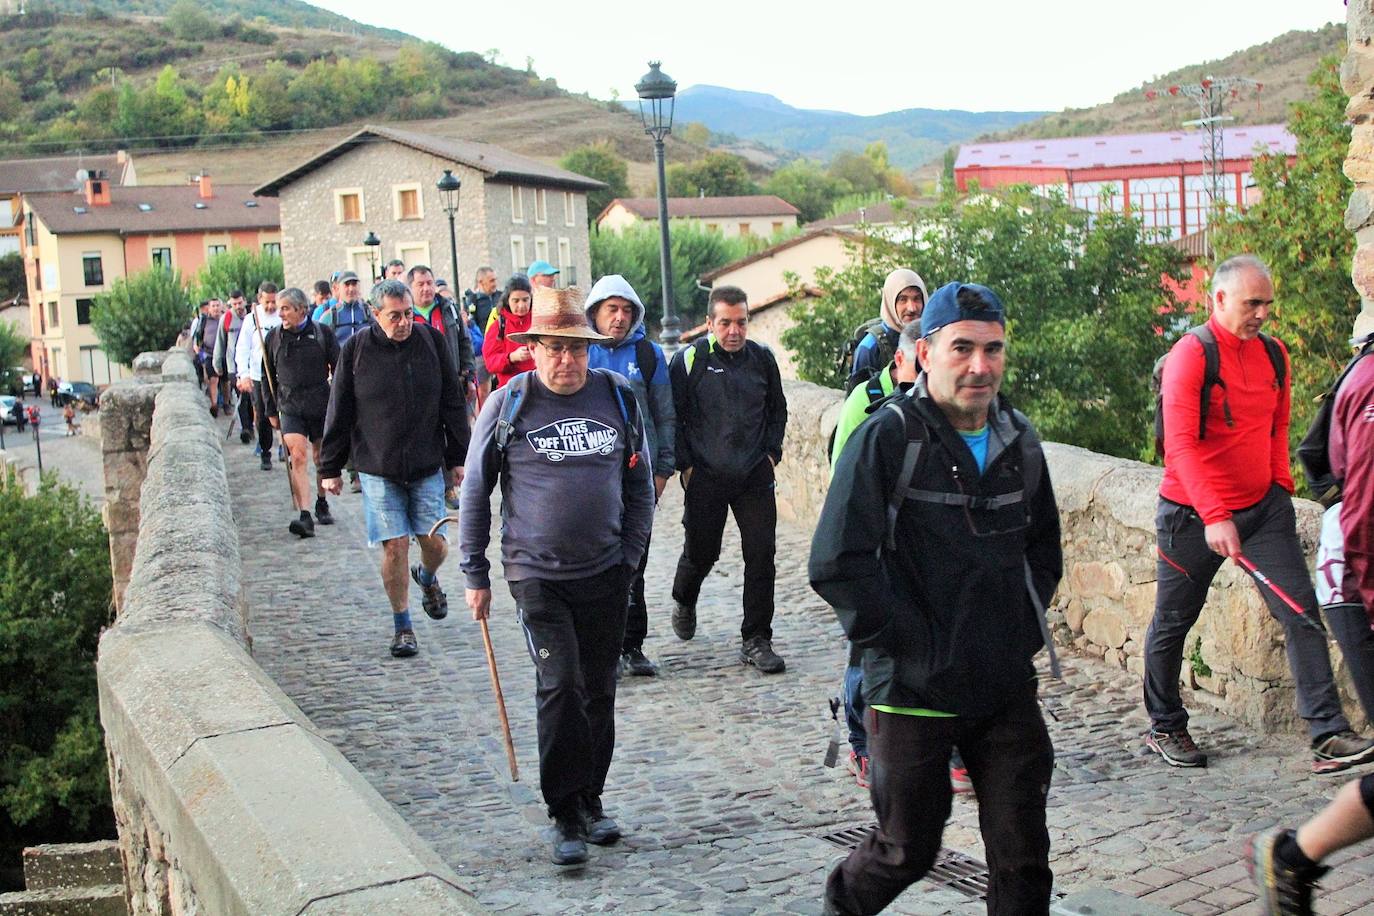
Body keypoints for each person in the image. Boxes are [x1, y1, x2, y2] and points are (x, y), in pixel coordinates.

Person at [812, 281, 1062, 916]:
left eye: (993, 349)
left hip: (1002, 686)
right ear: (924, 352)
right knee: (905, 849)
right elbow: (837, 562)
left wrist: (1017, 638)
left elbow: (1043, 554)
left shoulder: (1020, 442)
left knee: (1024, 861)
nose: (979, 366)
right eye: (962, 348)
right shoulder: (887, 437)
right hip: (913, 691)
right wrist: (910, 645)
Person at [1143, 255, 1374, 773]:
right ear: (1218, 300)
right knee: (1173, 622)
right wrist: (1215, 513)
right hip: (1190, 516)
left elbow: (1278, 425)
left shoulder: (1274, 354)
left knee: (1301, 613)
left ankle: (1327, 733)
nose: (1262, 313)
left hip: (1262, 510)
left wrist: (1280, 489)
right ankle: (1165, 724)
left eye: (1267, 303)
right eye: (1252, 303)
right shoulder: (1191, 356)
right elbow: (1179, 446)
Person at [459, 285, 654, 867]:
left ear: (589, 349)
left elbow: (638, 483)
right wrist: (475, 571)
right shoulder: (508, 403)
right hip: (535, 574)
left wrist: (631, 555)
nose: (565, 361)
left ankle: (592, 800)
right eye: (553, 348)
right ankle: (563, 812)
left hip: (606, 572)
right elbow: (475, 489)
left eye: (575, 349)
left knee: (599, 689)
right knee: (562, 686)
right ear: (533, 348)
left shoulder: (618, 396)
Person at [1247, 312, 1374, 916]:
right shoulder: (1372, 385)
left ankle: (1293, 859)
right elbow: (1365, 521)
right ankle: (1292, 857)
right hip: (1361, 583)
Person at [320, 279, 469, 658]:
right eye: (394, 316)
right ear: (374, 314)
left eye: (407, 314)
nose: (403, 322)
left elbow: (452, 402)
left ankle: (428, 576)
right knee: (395, 546)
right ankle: (403, 626)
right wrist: (330, 468)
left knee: (434, 544)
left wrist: (458, 459)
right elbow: (339, 411)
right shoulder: (355, 351)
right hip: (377, 466)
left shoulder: (432, 343)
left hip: (425, 462)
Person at [669, 284, 788, 673]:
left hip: (754, 474)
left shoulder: (762, 360)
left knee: (761, 554)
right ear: (709, 323)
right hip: (706, 474)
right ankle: (684, 597)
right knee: (703, 552)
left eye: (741, 322)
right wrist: (686, 467)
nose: (734, 331)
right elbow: (674, 417)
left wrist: (771, 453)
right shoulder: (690, 360)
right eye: (725, 323)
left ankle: (756, 638)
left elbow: (778, 410)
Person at [827, 321, 922, 790]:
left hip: (918, 559)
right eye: (918, 363)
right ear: (902, 359)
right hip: (874, 554)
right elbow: (841, 483)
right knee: (863, 656)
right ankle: (861, 745)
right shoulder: (866, 405)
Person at [583, 275, 676, 677]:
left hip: (638, 477)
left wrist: (663, 470)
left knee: (635, 561)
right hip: (592, 479)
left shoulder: (649, 354)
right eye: (611, 309)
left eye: (625, 310)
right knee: (596, 565)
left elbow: (665, 415)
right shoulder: (582, 351)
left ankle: (632, 645)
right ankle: (600, 648)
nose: (618, 318)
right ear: (595, 312)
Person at [262, 287, 341, 539]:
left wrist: (340, 405)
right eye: (279, 308)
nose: (280, 313)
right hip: (290, 404)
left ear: (302, 310)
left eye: (285, 308)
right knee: (297, 456)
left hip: (319, 403)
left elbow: (338, 369)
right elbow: (267, 375)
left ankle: (321, 501)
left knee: (319, 457)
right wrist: (270, 409)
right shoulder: (273, 337)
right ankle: (305, 515)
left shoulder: (322, 333)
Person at [847, 268, 927, 391]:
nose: (912, 308)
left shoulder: (931, 338)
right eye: (903, 299)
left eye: (916, 298)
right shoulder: (870, 347)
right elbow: (857, 399)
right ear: (890, 302)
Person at [234, 282, 282, 471]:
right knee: (263, 415)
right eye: (267, 302)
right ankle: (265, 451)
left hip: (280, 374)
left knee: (283, 412)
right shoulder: (251, 319)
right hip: (257, 374)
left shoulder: (282, 316)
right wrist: (243, 374)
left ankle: (284, 447)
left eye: (274, 302)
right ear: (259, 299)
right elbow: (242, 348)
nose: (271, 306)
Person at [213, 291, 254, 445]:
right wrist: (217, 364)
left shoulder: (251, 317)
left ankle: (251, 424)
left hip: (253, 365)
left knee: (252, 399)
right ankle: (246, 428)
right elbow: (220, 342)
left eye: (240, 303)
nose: (238, 306)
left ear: (244, 301)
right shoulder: (227, 318)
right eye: (234, 304)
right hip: (234, 367)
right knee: (242, 396)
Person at [483, 275, 535, 388]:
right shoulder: (499, 325)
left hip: (539, 386)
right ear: (507, 300)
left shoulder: (539, 321)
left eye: (525, 300)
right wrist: (511, 357)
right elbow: (490, 362)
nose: (521, 305)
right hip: (511, 389)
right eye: (516, 301)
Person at [317, 271, 369, 348]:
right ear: (338, 288)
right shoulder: (329, 316)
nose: (351, 289)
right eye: (347, 284)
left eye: (354, 284)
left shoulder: (369, 312)